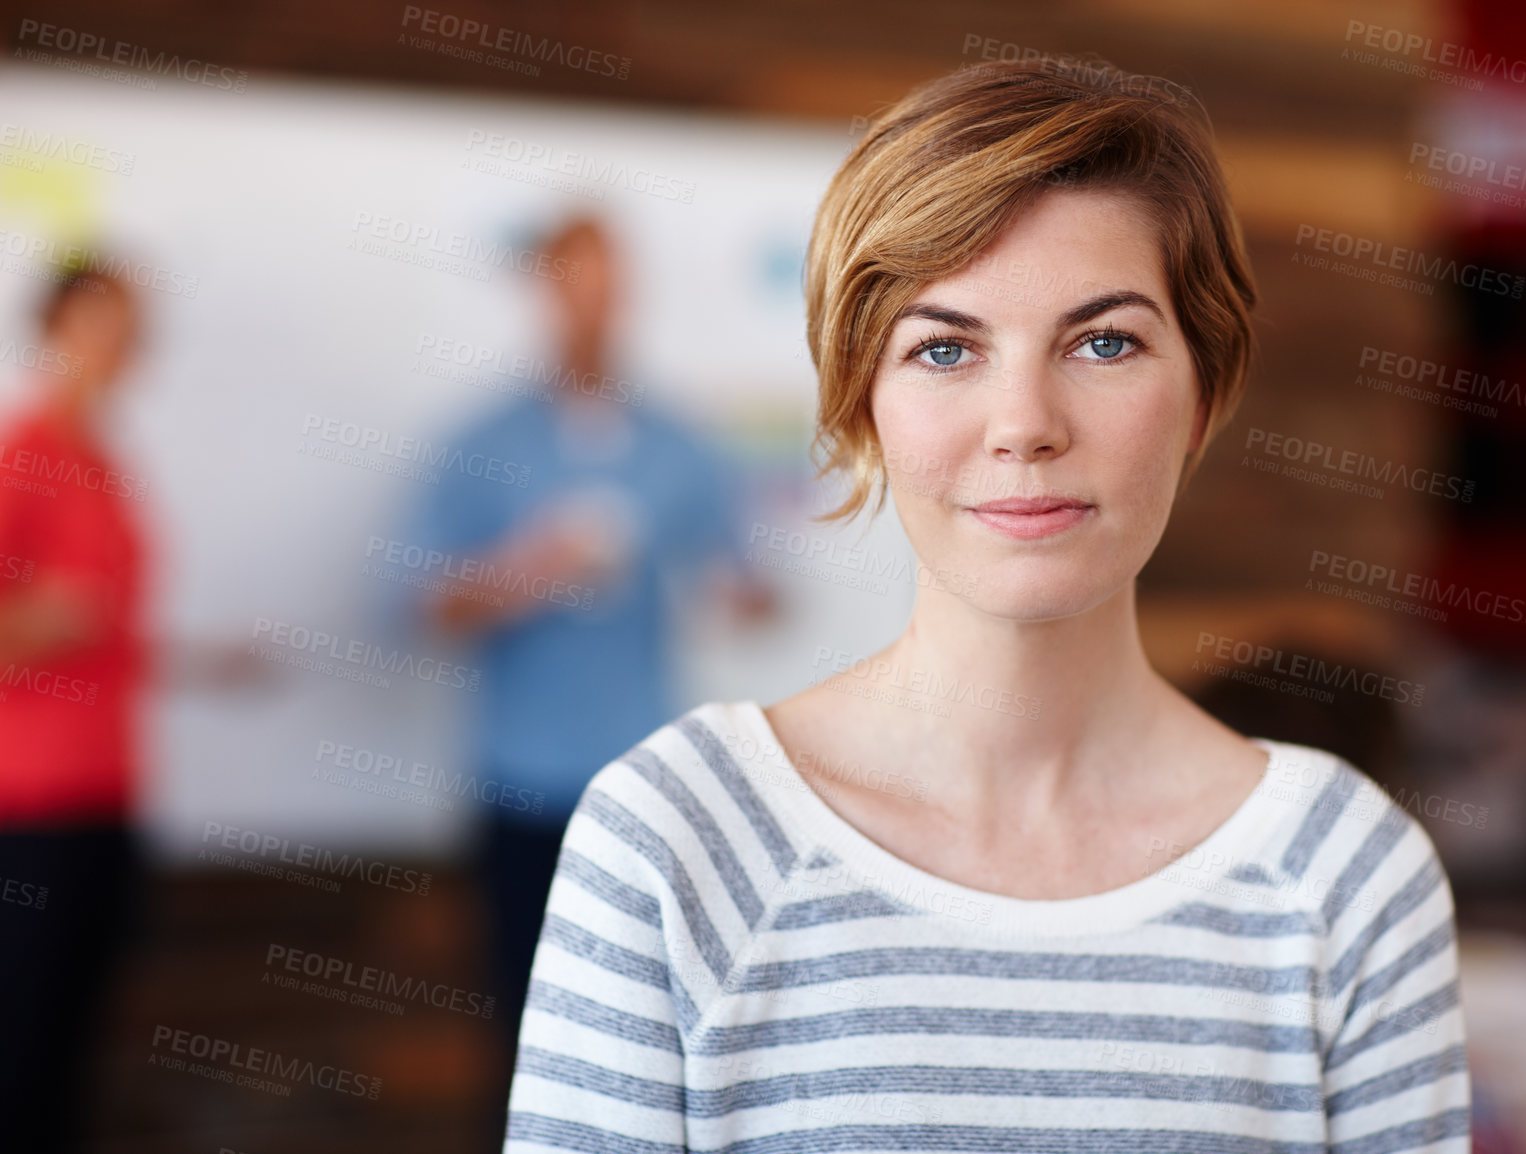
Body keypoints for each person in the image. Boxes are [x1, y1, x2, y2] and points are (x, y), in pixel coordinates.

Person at [504, 59, 1470, 1152]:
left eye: (1104, 342)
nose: (1023, 423)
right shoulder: (671, 840)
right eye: (944, 347)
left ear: (1200, 396)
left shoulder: (1348, 878)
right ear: (862, 408)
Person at [410, 218, 770, 1076]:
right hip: (523, 785)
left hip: (645, 787)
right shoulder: (484, 443)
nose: (595, 305)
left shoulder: (676, 441)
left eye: (610, 284)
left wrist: (743, 594)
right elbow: (426, 607)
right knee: (527, 1035)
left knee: (642, 1038)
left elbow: (744, 578)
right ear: (543, 290)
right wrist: (527, 570)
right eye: (576, 282)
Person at [0, 265, 149, 1153]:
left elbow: (109, 628)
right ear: (54, 328)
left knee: (72, 1052)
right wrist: (41, 620)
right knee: (18, 1054)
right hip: (29, 808)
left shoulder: (107, 465)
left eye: (129, 326)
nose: (116, 345)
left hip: (109, 795)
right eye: (98, 323)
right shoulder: (25, 454)